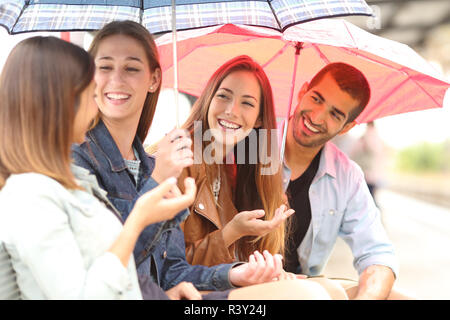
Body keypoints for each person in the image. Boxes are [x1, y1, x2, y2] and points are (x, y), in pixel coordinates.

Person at [71, 21, 332, 300]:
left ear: (154, 79)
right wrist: (159, 180)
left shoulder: (157, 164)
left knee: (330, 291)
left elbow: (173, 270)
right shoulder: (102, 162)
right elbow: (108, 264)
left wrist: (237, 272)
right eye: (105, 67)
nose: (116, 80)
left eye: (131, 68)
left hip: (182, 294)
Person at [0, 36, 197, 299]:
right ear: (59, 102)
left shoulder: (67, 181)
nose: (96, 107)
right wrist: (138, 219)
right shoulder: (30, 192)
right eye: (90, 94)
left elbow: (114, 272)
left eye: (131, 68)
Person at [282, 62, 404, 299]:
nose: (317, 117)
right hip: (244, 284)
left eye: (335, 114)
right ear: (303, 91)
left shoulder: (347, 176)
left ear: (347, 127)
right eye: (316, 99)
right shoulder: (252, 144)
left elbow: (377, 253)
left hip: (303, 285)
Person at [176, 55, 293, 267]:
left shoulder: (229, 170)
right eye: (223, 96)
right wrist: (232, 232)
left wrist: (268, 270)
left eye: (247, 103)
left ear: (259, 119)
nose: (232, 110)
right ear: (208, 100)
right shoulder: (178, 160)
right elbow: (170, 268)